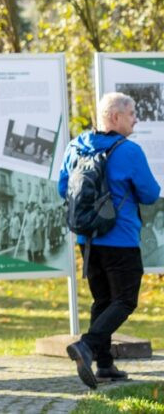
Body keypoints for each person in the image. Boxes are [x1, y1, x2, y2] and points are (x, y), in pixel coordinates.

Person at [59, 92, 160, 388]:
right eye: (132, 114)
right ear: (115, 117)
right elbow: (151, 193)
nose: (136, 119)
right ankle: (87, 344)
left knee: (103, 299)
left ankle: (104, 364)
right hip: (121, 238)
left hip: (87, 239)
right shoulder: (129, 151)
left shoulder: (76, 145)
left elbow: (62, 188)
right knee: (125, 300)